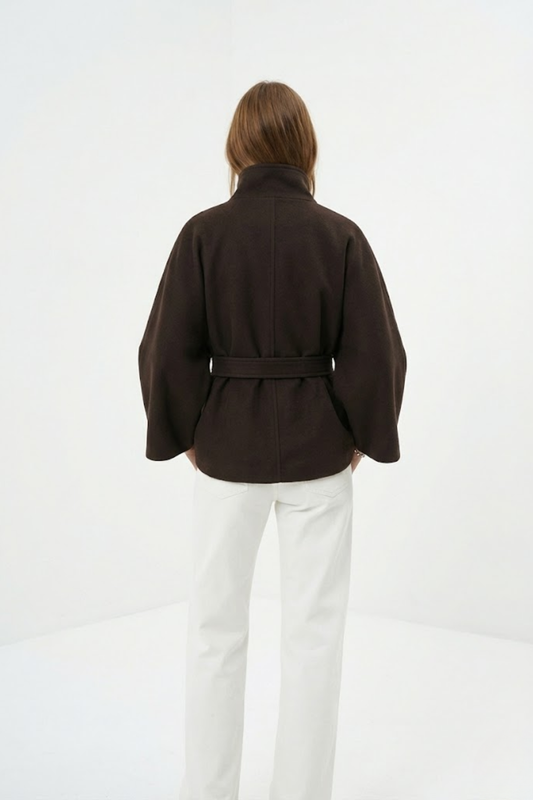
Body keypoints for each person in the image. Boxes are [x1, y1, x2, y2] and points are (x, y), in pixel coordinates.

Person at [138, 80, 407, 800]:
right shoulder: (339, 235)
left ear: (237, 147)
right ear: (304, 146)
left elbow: (164, 349)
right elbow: (378, 351)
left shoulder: (203, 234)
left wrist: (188, 433)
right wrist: (358, 434)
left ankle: (207, 792)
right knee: (314, 637)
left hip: (226, 453)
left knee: (213, 633)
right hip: (321, 455)